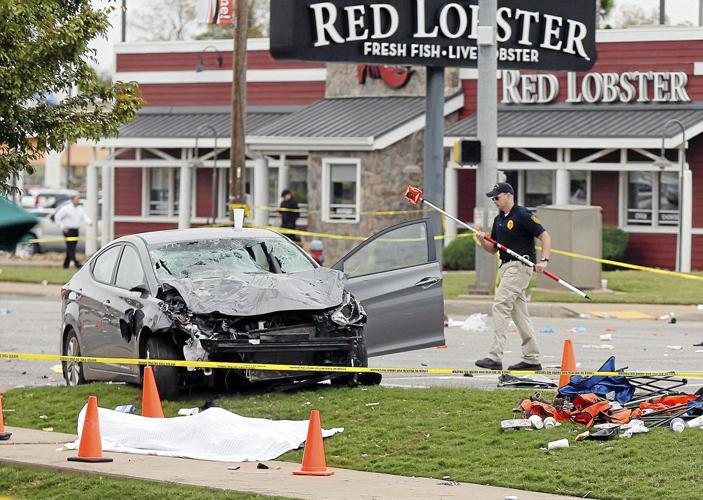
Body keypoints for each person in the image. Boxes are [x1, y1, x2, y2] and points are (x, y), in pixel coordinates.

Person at [474, 182, 551, 371]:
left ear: (508, 195)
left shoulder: (522, 214)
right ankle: (532, 358)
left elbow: (545, 236)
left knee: (500, 305)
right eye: (493, 198)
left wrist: (544, 260)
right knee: (519, 314)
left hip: (520, 266)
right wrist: (482, 241)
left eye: (497, 197)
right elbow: (493, 249)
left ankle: (495, 356)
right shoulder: (499, 219)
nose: (495, 201)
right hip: (505, 267)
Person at [54, 195, 91, 269]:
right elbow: (57, 217)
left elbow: (84, 216)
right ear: (72, 200)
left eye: (78, 199)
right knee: (71, 248)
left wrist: (89, 222)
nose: (78, 201)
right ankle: (76, 263)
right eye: (76, 199)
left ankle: (65, 265)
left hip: (75, 231)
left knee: (71, 248)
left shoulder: (80, 209)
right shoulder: (66, 208)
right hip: (68, 230)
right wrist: (62, 227)